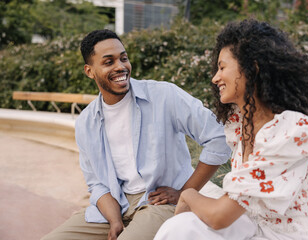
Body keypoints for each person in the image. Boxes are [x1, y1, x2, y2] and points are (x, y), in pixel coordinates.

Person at [154, 19, 308, 240]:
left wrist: (187, 194)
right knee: (181, 227)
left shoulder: (292, 130)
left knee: (187, 220)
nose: (215, 78)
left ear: (252, 68)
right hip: (253, 226)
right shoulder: (239, 123)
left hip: (288, 236)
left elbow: (219, 217)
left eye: (222, 67)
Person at [41, 29, 231, 240]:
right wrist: (114, 221)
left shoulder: (163, 96)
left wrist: (184, 193)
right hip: (117, 204)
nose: (120, 67)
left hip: (160, 203)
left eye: (123, 58)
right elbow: (97, 183)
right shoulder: (86, 122)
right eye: (108, 62)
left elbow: (218, 137)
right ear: (89, 71)